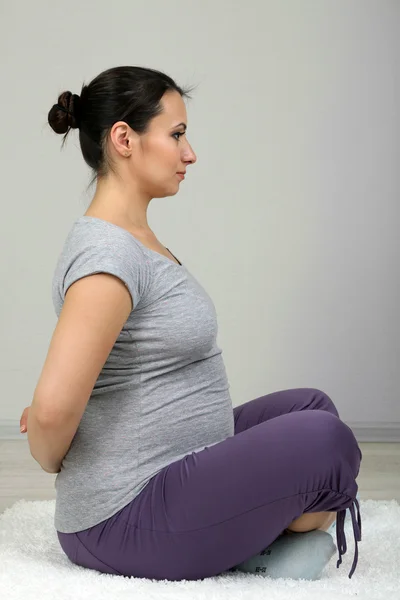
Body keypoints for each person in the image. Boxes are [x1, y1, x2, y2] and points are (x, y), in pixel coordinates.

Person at [21, 65, 362, 582]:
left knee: (312, 407)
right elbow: (49, 417)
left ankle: (235, 537)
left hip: (179, 464)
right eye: (176, 134)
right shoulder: (107, 257)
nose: (189, 152)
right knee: (324, 441)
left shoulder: (134, 238)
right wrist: (59, 459)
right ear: (124, 139)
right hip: (124, 515)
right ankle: (244, 545)